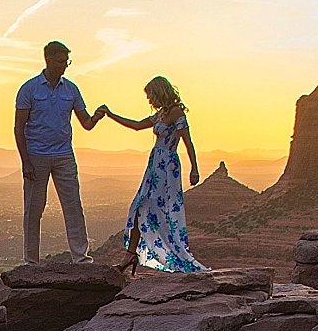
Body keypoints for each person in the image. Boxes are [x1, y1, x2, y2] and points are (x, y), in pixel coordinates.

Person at [99, 75, 205, 272]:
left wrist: (194, 168)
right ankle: (131, 255)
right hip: (155, 164)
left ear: (159, 92)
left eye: (151, 96)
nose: (149, 101)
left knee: (159, 209)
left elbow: (188, 141)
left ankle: (161, 254)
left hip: (167, 167)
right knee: (141, 207)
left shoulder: (176, 112)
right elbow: (137, 125)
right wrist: (110, 114)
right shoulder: (161, 114)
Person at [13, 40, 101, 262]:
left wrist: (99, 116)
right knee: (34, 210)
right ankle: (31, 261)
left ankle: (81, 258)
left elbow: (86, 123)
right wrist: (26, 161)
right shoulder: (29, 89)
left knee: (73, 206)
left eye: (67, 62)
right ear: (48, 59)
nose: (65, 66)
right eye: (61, 61)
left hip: (64, 155)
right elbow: (18, 127)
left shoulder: (71, 89)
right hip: (36, 155)